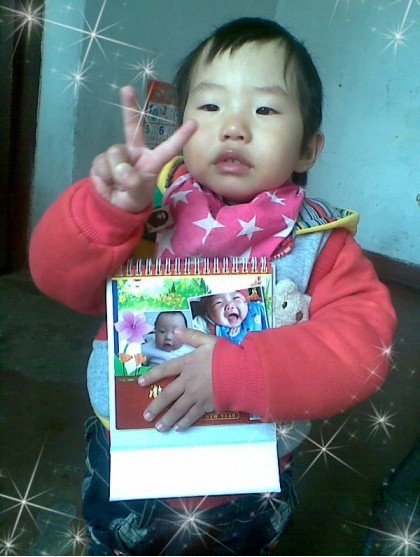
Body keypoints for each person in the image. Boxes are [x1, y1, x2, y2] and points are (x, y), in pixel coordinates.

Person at [29, 17, 396, 555]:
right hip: (127, 462)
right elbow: (56, 279)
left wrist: (233, 372)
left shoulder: (321, 245)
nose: (234, 127)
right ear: (179, 127)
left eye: (264, 109)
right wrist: (106, 213)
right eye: (209, 105)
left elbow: (362, 354)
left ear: (307, 149)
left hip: (247, 486)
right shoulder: (146, 212)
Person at [192, 289, 269, 344]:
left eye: (236, 298)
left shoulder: (258, 310)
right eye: (219, 302)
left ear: (246, 302)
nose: (230, 305)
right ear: (209, 313)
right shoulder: (206, 324)